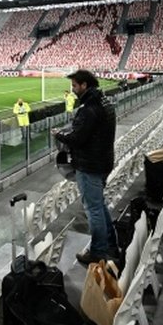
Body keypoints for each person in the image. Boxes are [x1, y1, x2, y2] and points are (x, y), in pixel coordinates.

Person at [53, 70, 118, 265]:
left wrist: (59, 135)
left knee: (93, 209)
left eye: (74, 85)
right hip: (102, 161)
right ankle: (110, 244)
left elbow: (78, 138)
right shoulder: (104, 102)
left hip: (90, 165)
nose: (73, 89)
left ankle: (98, 252)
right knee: (99, 205)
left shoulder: (89, 108)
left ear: (84, 85)